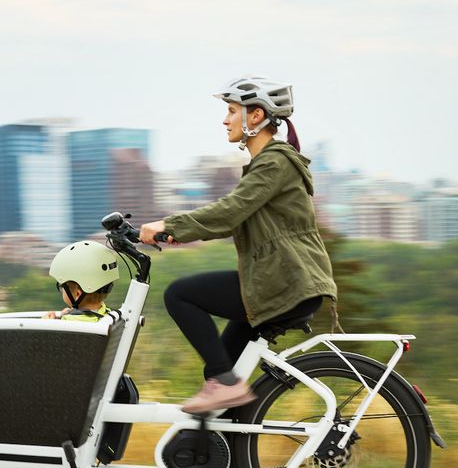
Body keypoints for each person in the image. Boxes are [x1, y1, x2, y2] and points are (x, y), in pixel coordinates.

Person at [139, 76, 337, 414]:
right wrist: (176, 233)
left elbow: (231, 211)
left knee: (180, 295)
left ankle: (226, 388)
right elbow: (236, 218)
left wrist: (168, 224)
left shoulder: (275, 162)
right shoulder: (270, 163)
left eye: (232, 111)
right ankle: (228, 456)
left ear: (256, 116)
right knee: (219, 373)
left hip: (284, 283)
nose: (225, 119)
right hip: (284, 282)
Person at [43, 240, 120, 323]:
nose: (61, 291)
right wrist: (70, 314)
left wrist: (46, 324)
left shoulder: (66, 324)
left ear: (77, 294)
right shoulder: (110, 316)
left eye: (62, 287)